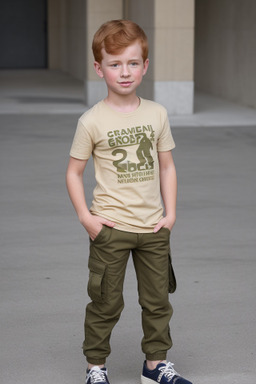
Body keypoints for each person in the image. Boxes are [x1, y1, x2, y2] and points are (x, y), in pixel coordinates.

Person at [66, 19, 192, 384]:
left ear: (145, 66)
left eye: (133, 63)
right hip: (110, 228)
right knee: (106, 303)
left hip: (153, 228)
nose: (125, 72)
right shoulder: (91, 121)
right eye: (115, 63)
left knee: (157, 303)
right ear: (99, 68)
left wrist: (170, 215)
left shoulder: (157, 114)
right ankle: (96, 369)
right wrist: (86, 219)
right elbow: (73, 173)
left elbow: (167, 167)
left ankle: (155, 368)